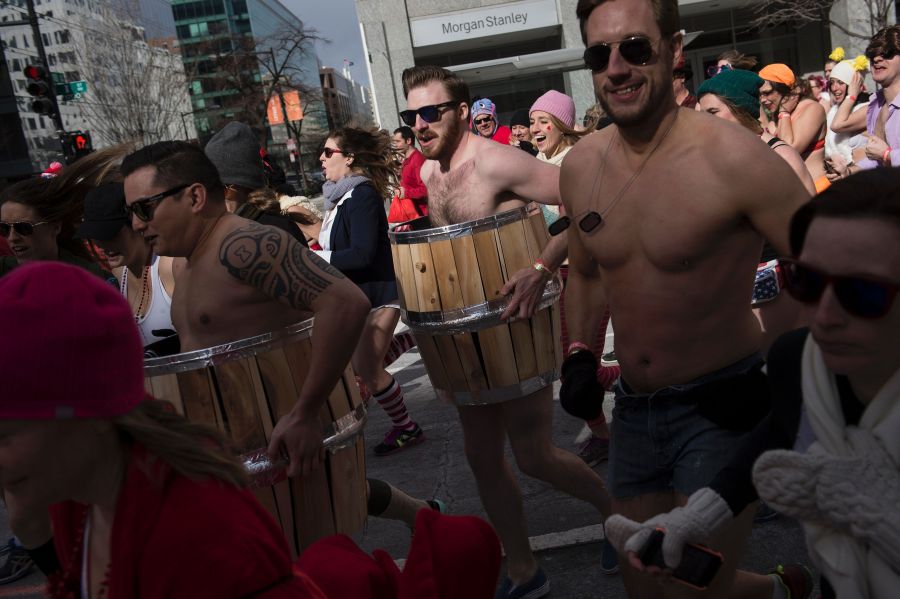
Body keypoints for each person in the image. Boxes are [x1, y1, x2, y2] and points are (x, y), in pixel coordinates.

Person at [565, 0, 809, 596]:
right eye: (601, 54)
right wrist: (576, 351)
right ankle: (780, 590)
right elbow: (589, 271)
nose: (616, 67)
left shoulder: (736, 159)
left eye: (635, 48)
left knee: (689, 588)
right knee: (647, 582)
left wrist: (799, 374)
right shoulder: (581, 166)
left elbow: (833, 260)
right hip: (636, 412)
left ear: (674, 51)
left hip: (721, 407)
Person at [402, 64, 613, 599]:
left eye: (430, 112)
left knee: (534, 454)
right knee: (479, 454)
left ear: (462, 111)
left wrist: (542, 266)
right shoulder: (428, 174)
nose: (419, 124)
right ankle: (523, 571)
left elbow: (586, 200)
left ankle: (617, 514)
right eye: (411, 115)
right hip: (466, 333)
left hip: (516, 324)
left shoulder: (497, 162)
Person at [0, 261, 328, 597]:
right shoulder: (75, 498)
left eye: (5, 435)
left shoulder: (203, 536)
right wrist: (33, 533)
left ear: (94, 412)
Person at [120, 140, 371, 478]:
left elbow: (346, 304)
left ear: (194, 197)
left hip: (282, 450)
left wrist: (305, 412)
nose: (136, 224)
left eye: (144, 208)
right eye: (131, 212)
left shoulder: (247, 246)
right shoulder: (182, 263)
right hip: (231, 456)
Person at [752, 169, 900, 599]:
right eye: (807, 281)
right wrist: (698, 518)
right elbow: (771, 435)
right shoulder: (799, 359)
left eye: (864, 292)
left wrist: (879, 519)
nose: (825, 314)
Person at [316, 127, 425, 456]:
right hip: (358, 298)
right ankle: (412, 338)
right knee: (362, 365)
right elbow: (335, 244)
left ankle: (407, 428)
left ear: (349, 157)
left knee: (367, 370)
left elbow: (361, 254)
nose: (321, 158)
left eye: (328, 152)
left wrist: (314, 258)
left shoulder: (361, 194)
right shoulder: (338, 196)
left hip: (378, 295)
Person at [696, 69, 812, 356]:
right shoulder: (711, 160)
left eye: (713, 111)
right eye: (700, 114)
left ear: (740, 110)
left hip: (775, 290)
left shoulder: (778, 155)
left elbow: (811, 232)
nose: (703, 122)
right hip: (728, 293)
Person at [77, 181, 180, 349]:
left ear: (137, 223)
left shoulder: (170, 267)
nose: (103, 244)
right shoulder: (119, 272)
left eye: (110, 234)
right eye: (95, 234)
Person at [204, 121, 307, 245]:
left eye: (222, 190)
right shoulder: (217, 234)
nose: (211, 201)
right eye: (207, 190)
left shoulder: (278, 231)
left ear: (244, 186)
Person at [759, 63, 827, 186]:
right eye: (760, 94)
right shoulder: (778, 116)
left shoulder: (812, 108)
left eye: (767, 92)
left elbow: (789, 151)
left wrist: (784, 111)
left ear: (785, 89)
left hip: (818, 188)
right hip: (797, 192)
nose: (763, 99)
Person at [854, 25, 900, 171]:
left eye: (887, 53)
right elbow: (877, 161)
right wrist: (849, 171)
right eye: (872, 54)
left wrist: (887, 155)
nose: (877, 59)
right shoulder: (876, 105)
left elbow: (884, 156)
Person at [823, 58, 870, 180]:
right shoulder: (835, 111)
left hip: (866, 180)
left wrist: (852, 95)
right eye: (832, 82)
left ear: (853, 85)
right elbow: (829, 148)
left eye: (840, 82)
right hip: (846, 182)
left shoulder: (867, 108)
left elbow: (837, 126)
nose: (834, 88)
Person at [391, 125, 429, 219]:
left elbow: (427, 190)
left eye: (398, 141)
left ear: (408, 141)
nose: (395, 145)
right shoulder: (407, 160)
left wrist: (406, 193)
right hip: (413, 214)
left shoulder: (417, 160)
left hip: (424, 216)